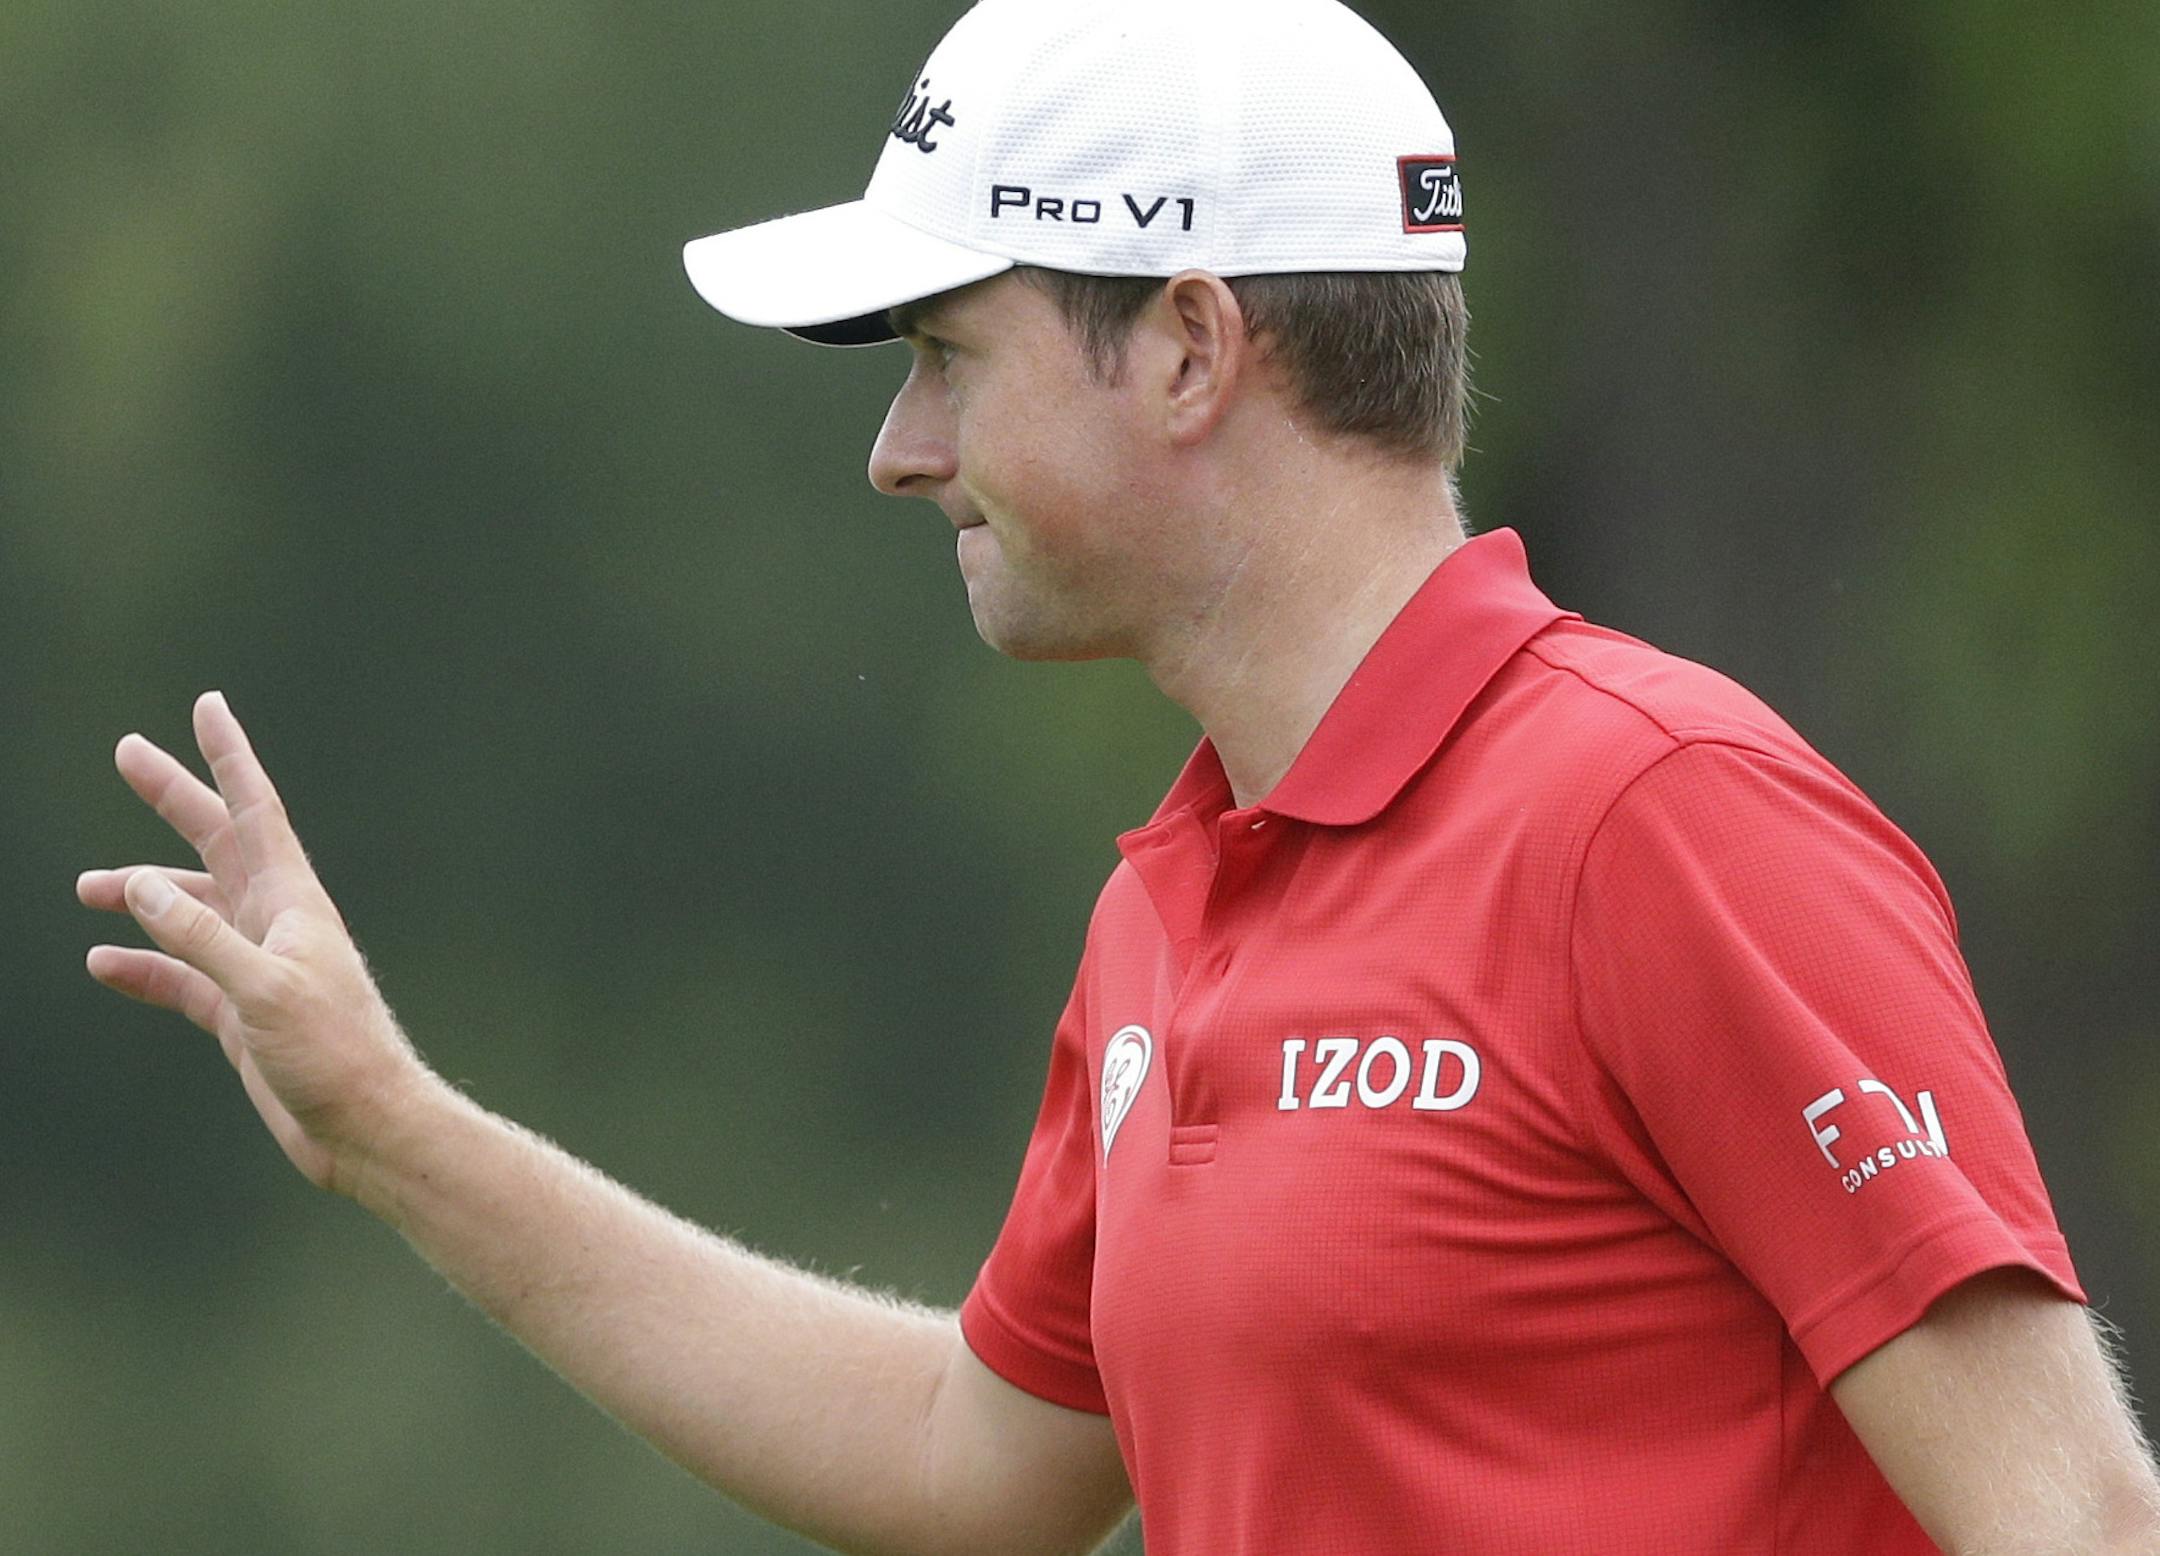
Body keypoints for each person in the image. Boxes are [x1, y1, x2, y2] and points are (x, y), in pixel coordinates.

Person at [76, 0, 2160, 1551]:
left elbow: (2065, 1515)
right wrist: (396, 1128)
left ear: (1184, 345)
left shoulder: (1659, 817)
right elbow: (968, 1462)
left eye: (947, 354)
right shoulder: (1169, 903)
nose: (900, 450)